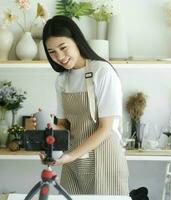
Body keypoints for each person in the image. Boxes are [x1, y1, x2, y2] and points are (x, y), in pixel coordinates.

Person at [40, 15, 129, 195]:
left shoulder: (101, 72)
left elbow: (106, 129)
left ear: (77, 40)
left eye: (63, 47)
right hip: (73, 164)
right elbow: (65, 127)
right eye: (52, 52)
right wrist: (47, 126)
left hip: (105, 161)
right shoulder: (62, 81)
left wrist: (70, 156)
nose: (60, 56)